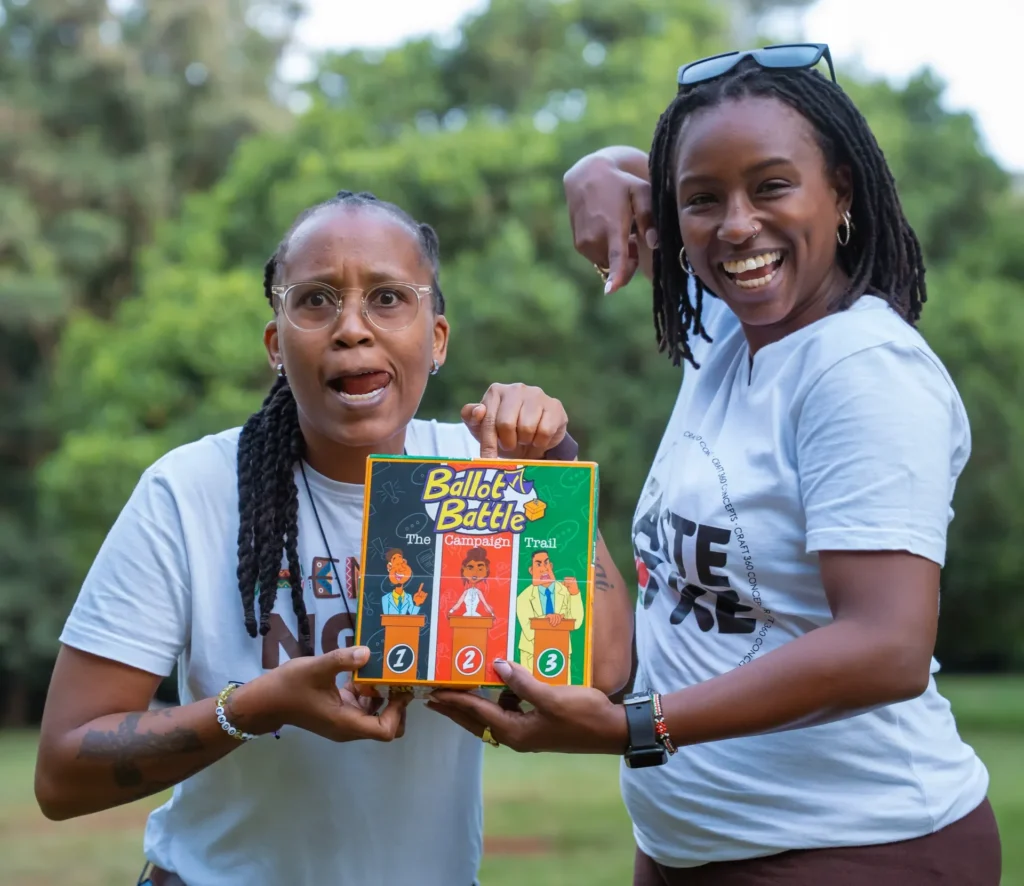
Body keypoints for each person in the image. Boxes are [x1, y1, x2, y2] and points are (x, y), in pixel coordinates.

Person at [427, 44, 1003, 885]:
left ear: (841, 190)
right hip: (689, 852)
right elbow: (628, 181)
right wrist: (593, 169)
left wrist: (636, 726)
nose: (737, 225)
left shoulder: (861, 372)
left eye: (773, 187)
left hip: (854, 849)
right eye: (703, 200)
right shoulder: (732, 328)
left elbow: (887, 647)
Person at [33, 189, 636, 886]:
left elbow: (609, 673)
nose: (352, 328)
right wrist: (255, 707)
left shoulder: (486, 474)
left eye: (388, 298)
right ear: (276, 345)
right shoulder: (188, 491)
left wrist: (551, 468)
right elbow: (61, 774)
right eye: (315, 300)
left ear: (437, 338)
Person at [514, 550, 584, 673]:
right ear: (531, 570)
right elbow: (528, 630)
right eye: (538, 564)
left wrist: (574, 594)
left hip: (561, 652)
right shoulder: (523, 597)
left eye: (546, 563)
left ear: (551, 566)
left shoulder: (566, 591)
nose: (544, 569)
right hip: (531, 654)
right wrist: (547, 618)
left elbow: (577, 623)